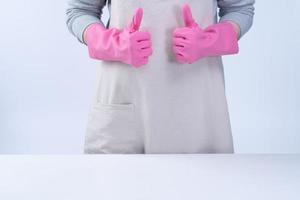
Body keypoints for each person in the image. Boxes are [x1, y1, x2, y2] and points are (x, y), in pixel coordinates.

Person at [66, 0, 255, 154]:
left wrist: (211, 41)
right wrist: (109, 43)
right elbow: (80, 11)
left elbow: (240, 9)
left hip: (197, 108)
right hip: (124, 99)